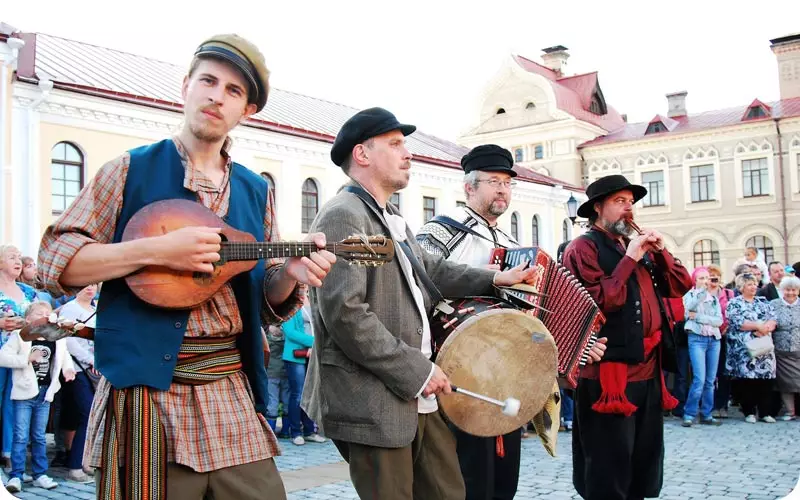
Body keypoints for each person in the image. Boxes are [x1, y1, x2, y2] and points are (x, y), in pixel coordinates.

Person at [37, 34, 336, 500]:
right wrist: (156, 252)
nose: (217, 95)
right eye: (209, 81)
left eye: (234, 91)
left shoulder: (257, 192)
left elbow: (263, 304)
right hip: (149, 397)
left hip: (230, 388)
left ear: (247, 111)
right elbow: (54, 264)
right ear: (186, 88)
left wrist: (288, 277)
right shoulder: (128, 171)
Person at [302, 108, 539, 500]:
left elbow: (433, 268)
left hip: (415, 395)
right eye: (395, 144)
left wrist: (496, 278)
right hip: (374, 399)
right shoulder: (345, 216)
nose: (408, 153)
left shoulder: (390, 215)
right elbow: (346, 315)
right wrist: (418, 371)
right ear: (362, 154)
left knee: (449, 491)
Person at [416, 144, 604, 500]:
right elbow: (417, 282)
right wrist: (481, 277)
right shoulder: (440, 232)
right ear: (469, 187)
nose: (503, 189)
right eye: (493, 181)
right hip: (461, 372)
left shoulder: (512, 243)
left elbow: (533, 312)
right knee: (467, 478)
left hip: (507, 375)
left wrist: (576, 347)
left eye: (507, 182)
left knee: (503, 481)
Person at [562, 174, 692, 500]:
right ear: (597, 207)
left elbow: (680, 285)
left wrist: (660, 253)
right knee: (609, 464)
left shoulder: (634, 246)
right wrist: (630, 258)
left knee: (642, 460)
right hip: (607, 374)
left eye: (631, 202)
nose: (629, 210)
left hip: (647, 369)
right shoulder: (582, 248)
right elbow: (598, 303)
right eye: (620, 202)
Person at [0, 301, 75, 493]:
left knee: (39, 436)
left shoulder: (57, 338)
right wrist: (26, 359)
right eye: (39, 313)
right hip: (24, 393)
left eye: (47, 313)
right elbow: (3, 357)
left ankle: (40, 474)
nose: (45, 315)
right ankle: (16, 474)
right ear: (28, 320)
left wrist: (68, 370)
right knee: (20, 435)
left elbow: (65, 357)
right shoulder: (20, 336)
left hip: (45, 393)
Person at [0, 245, 38, 469]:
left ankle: (9, 450)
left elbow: (37, 318)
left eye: (19, 257)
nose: (18, 261)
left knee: (14, 402)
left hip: (20, 356)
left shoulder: (29, 292)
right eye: (11, 257)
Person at [58, 284, 99, 482]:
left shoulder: (97, 308)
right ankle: (75, 467)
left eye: (93, 283)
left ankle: (86, 462)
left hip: (97, 369)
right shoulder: (70, 308)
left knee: (95, 416)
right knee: (87, 413)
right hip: (77, 369)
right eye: (85, 284)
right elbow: (69, 341)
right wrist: (91, 361)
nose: (89, 288)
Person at [725, 273, 778, 423]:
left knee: (766, 380)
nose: (753, 287)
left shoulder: (763, 301)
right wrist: (757, 326)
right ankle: (749, 412)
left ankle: (765, 412)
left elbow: (773, 318)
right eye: (749, 284)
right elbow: (737, 322)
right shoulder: (734, 303)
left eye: (754, 284)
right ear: (741, 287)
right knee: (748, 381)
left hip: (764, 348)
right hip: (745, 350)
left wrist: (766, 328)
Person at [681, 267, 723, 427]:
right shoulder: (690, 296)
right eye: (702, 278)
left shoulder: (714, 299)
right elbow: (686, 313)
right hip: (697, 339)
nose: (706, 281)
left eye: (707, 278)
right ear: (695, 280)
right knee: (699, 378)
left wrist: (698, 317)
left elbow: (718, 321)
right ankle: (689, 413)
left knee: (710, 380)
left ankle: (707, 413)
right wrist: (700, 293)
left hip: (713, 340)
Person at [282, 293, 325, 446]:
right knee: (298, 394)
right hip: (295, 355)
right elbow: (289, 331)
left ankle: (310, 431)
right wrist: (315, 342)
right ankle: (295, 432)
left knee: (311, 393)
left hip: (313, 355)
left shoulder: (314, 299)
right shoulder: (289, 302)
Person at [707, 264, 735, 419]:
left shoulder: (729, 294)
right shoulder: (701, 293)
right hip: (706, 336)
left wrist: (724, 328)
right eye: (710, 275)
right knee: (708, 374)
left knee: (723, 373)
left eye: (715, 275)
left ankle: (722, 405)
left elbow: (732, 314)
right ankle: (708, 406)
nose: (713, 278)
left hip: (724, 337)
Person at [770, 276, 800, 421]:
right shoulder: (774, 304)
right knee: (785, 383)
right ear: (782, 290)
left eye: (794, 290)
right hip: (780, 351)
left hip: (799, 349)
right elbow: (769, 322)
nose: (790, 293)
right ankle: (790, 411)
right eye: (787, 290)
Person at [265, 324, 290, 438]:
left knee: (272, 403)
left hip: (271, 372)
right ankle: (285, 431)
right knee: (287, 401)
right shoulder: (286, 333)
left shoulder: (267, 334)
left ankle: (271, 432)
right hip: (286, 371)